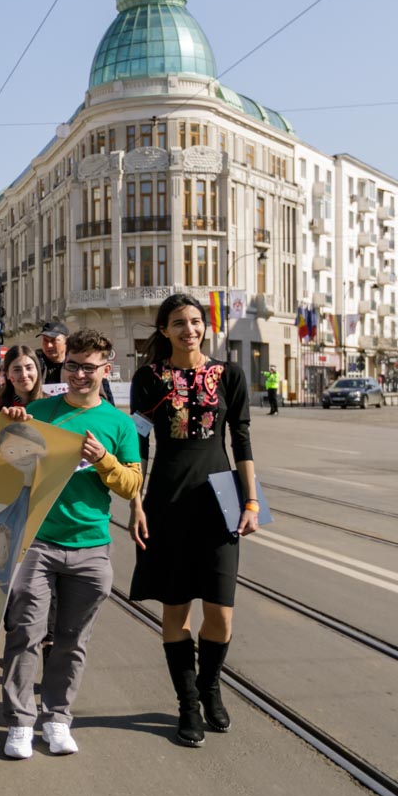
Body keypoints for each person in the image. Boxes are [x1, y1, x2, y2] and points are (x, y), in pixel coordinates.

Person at [0, 332, 142, 759]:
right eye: (73, 366)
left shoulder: (119, 424)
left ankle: (58, 718)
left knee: (72, 640)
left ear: (106, 369)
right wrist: (11, 425)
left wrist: (104, 460)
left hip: (91, 546)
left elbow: (132, 485)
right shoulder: (40, 412)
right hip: (37, 542)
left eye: (89, 367)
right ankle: (20, 723)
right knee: (25, 632)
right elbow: (4, 463)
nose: (79, 374)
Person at [129, 293, 259, 747]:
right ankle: (187, 704)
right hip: (167, 498)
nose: (190, 329)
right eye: (179, 322)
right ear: (164, 330)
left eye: (196, 321)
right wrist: (136, 502)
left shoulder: (228, 374)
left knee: (221, 614)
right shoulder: (149, 378)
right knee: (176, 608)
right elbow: (139, 444)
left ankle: (210, 684)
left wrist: (252, 501)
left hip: (220, 498)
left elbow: (240, 439)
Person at [0, 345, 43, 414]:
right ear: (7, 375)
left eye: (29, 368)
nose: (24, 375)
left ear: (37, 370)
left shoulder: (51, 404)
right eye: (17, 370)